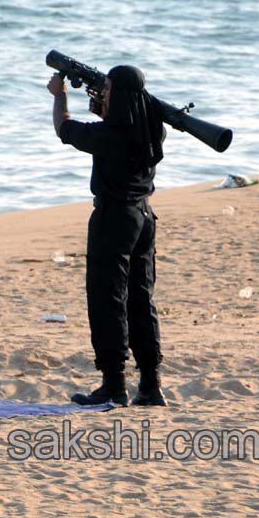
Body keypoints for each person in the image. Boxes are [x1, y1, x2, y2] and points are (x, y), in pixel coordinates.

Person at [47, 65, 167, 407]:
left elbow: (64, 128)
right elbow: (121, 114)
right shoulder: (152, 128)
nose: (105, 93)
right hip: (144, 217)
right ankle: (150, 384)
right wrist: (103, 97)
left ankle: (113, 384)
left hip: (114, 218)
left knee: (107, 301)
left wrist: (60, 96)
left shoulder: (111, 135)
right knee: (141, 299)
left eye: (109, 88)